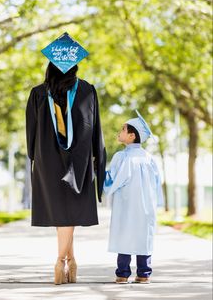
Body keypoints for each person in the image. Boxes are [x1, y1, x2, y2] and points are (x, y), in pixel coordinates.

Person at [26, 32, 106, 285]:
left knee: (62, 213)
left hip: (47, 160)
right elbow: (96, 130)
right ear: (75, 66)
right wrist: (97, 160)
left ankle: (66, 260)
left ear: (50, 66)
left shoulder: (38, 93)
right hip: (80, 162)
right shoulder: (87, 90)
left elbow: (30, 133)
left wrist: (35, 158)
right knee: (69, 212)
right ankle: (63, 261)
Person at [103, 110, 163, 284]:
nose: (119, 132)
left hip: (127, 204)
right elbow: (157, 183)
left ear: (131, 136)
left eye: (123, 129)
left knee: (125, 235)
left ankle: (122, 273)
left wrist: (100, 175)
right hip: (146, 206)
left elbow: (112, 180)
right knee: (143, 236)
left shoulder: (121, 157)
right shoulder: (149, 158)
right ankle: (144, 274)